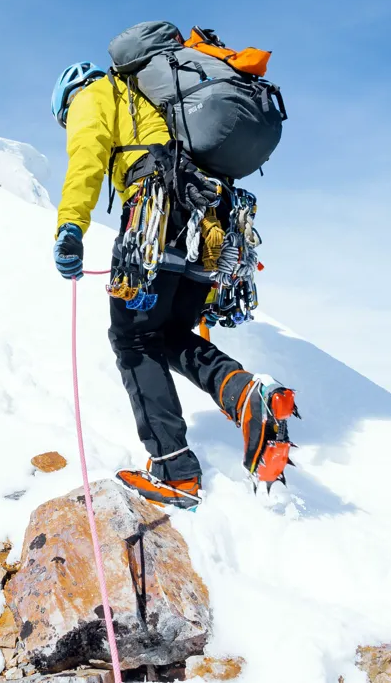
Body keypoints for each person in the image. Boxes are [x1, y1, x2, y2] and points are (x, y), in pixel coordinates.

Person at [51, 59, 297, 508]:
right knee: (165, 334)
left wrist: (71, 227)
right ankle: (246, 393)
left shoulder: (94, 94)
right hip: (212, 223)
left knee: (133, 340)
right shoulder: (154, 99)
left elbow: (87, 155)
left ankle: (174, 471)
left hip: (157, 213)